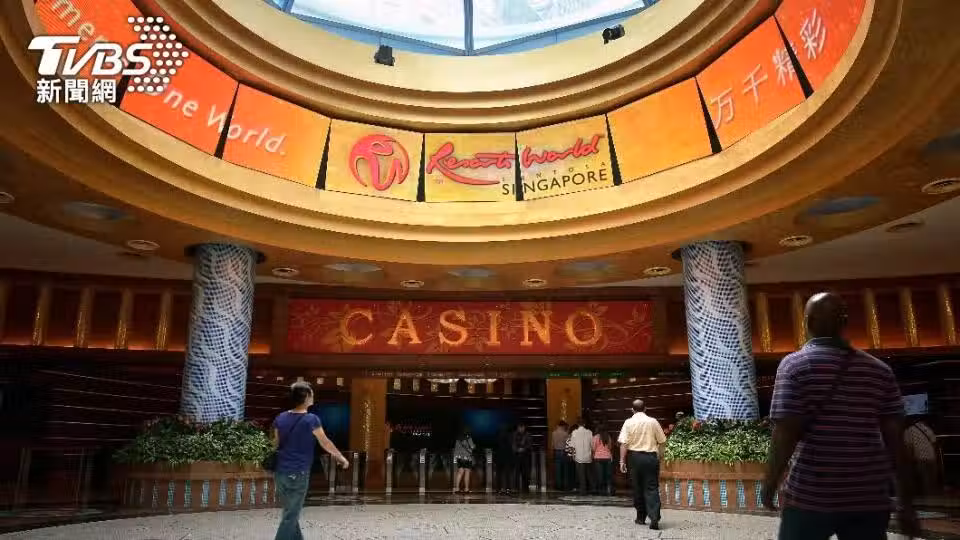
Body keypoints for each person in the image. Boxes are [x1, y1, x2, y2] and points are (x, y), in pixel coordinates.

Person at [762, 292, 920, 540]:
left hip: (810, 495)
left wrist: (770, 482)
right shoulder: (880, 371)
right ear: (845, 322)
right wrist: (906, 501)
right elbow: (895, 442)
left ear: (807, 322)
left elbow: (785, 433)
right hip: (868, 495)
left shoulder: (794, 366)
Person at [272, 381, 349, 540]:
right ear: (306, 396)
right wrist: (340, 457)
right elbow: (325, 442)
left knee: (290, 511)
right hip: (298, 472)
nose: (313, 396)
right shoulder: (311, 419)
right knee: (290, 515)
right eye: (311, 393)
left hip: (280, 472)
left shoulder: (280, 418)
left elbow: (275, 444)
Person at [618, 399, 666, 531]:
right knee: (651, 487)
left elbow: (624, 444)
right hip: (650, 457)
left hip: (634, 458)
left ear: (632, 410)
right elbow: (662, 442)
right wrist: (659, 456)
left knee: (637, 488)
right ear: (645, 409)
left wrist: (622, 461)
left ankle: (640, 517)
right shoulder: (653, 421)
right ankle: (654, 517)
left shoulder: (628, 422)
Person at [569, 419, 594, 495]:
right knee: (589, 474)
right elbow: (592, 445)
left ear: (577, 424)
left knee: (581, 474)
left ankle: (583, 490)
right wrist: (592, 455)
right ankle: (593, 488)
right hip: (588, 456)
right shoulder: (589, 432)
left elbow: (572, 446)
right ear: (584, 424)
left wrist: (573, 455)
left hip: (578, 456)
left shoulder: (574, 432)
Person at [592, 424, 614, 496]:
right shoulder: (608, 436)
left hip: (598, 458)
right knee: (608, 475)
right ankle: (609, 489)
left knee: (600, 475)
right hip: (607, 457)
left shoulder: (596, 437)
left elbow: (593, 448)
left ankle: (601, 490)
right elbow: (610, 447)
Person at [453, 429, 476, 493]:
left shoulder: (458, 439)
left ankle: (457, 489)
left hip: (459, 458)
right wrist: (474, 446)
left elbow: (456, 449)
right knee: (467, 472)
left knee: (460, 472)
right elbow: (472, 447)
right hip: (467, 457)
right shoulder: (469, 438)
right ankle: (466, 489)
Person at [512, 422, 533, 493]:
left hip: (525, 456)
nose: (521, 429)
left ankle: (526, 487)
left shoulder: (528, 435)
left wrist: (523, 449)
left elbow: (529, 445)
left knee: (525, 473)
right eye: (519, 427)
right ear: (518, 428)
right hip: (517, 456)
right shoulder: (514, 434)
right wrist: (517, 450)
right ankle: (516, 487)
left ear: (524, 427)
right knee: (516, 472)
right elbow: (513, 444)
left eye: (522, 427)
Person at [550, 420, 570, 491]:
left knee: (557, 470)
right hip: (564, 452)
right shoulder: (565, 434)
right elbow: (568, 444)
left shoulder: (553, 433)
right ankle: (565, 485)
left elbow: (552, 444)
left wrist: (552, 452)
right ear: (563, 426)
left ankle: (558, 485)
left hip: (556, 451)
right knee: (565, 470)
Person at [495, 424, 514, 494]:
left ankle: (499, 489)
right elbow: (511, 447)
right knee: (507, 474)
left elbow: (495, 447)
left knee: (499, 474)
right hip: (507, 457)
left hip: (499, 457)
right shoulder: (509, 436)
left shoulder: (497, 436)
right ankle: (508, 488)